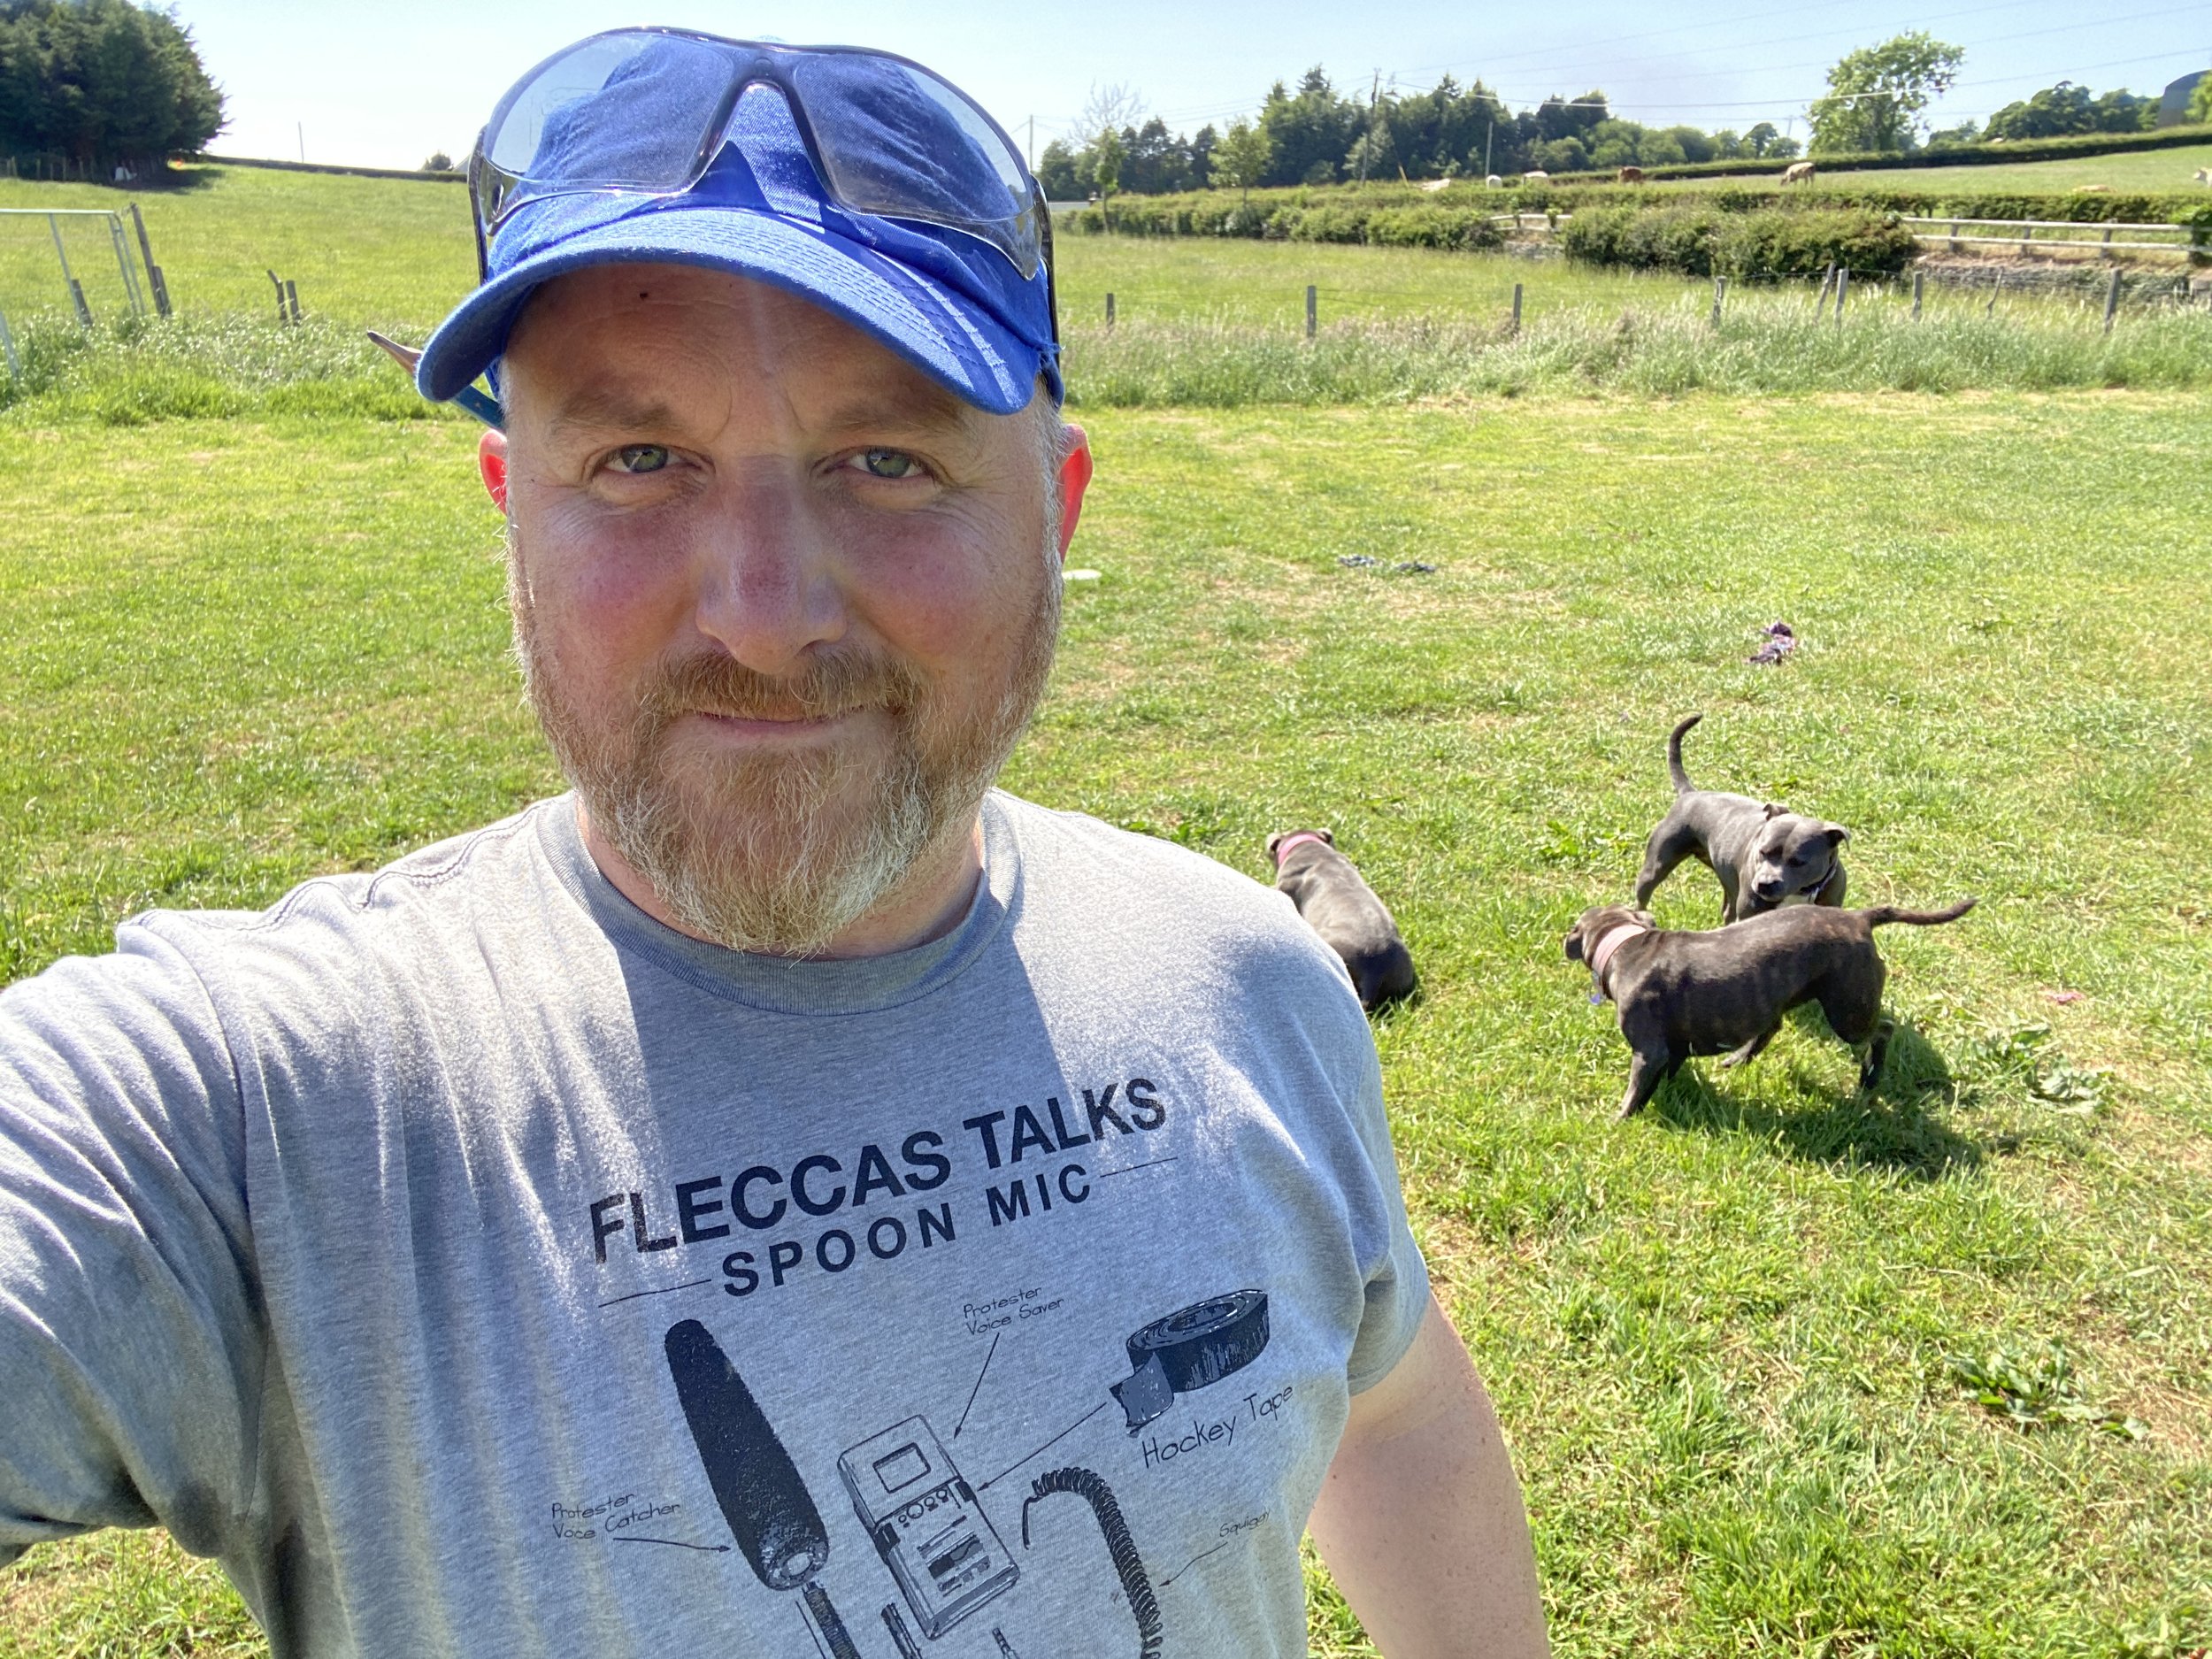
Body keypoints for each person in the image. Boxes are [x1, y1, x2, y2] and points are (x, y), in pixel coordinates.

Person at [0, 29, 1546, 1658]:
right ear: (511, 507)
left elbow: (1394, 1415)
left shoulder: (1248, 981)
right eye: (638, 461)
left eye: (887, 461)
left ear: (1057, 512)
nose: (762, 614)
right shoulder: (265, 1112)